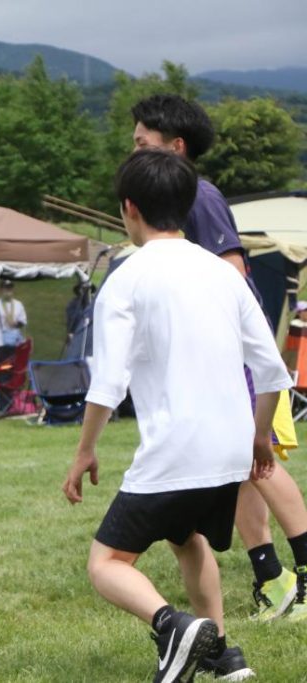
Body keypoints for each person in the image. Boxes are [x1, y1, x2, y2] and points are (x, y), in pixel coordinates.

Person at [63, 149, 291, 682]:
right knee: (187, 538)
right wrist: (259, 439)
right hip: (232, 447)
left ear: (129, 209)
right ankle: (225, 656)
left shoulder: (126, 277)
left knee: (107, 564)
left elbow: (109, 381)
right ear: (188, 207)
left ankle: (172, 625)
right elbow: (273, 368)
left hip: (176, 450)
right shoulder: (224, 273)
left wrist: (84, 452)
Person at [134, 93, 307, 627]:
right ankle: (273, 581)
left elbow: (233, 273)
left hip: (236, 363)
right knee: (239, 473)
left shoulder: (200, 196)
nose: (134, 153)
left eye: (143, 144)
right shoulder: (174, 198)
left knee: (260, 464)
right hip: (209, 364)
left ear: (175, 146)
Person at [0, 280, 27, 361]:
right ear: (1, 290)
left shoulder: (18, 304)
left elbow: (23, 321)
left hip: (15, 342)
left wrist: (15, 324)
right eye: (6, 288)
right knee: (2, 368)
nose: (8, 291)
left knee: (14, 368)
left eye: (10, 288)